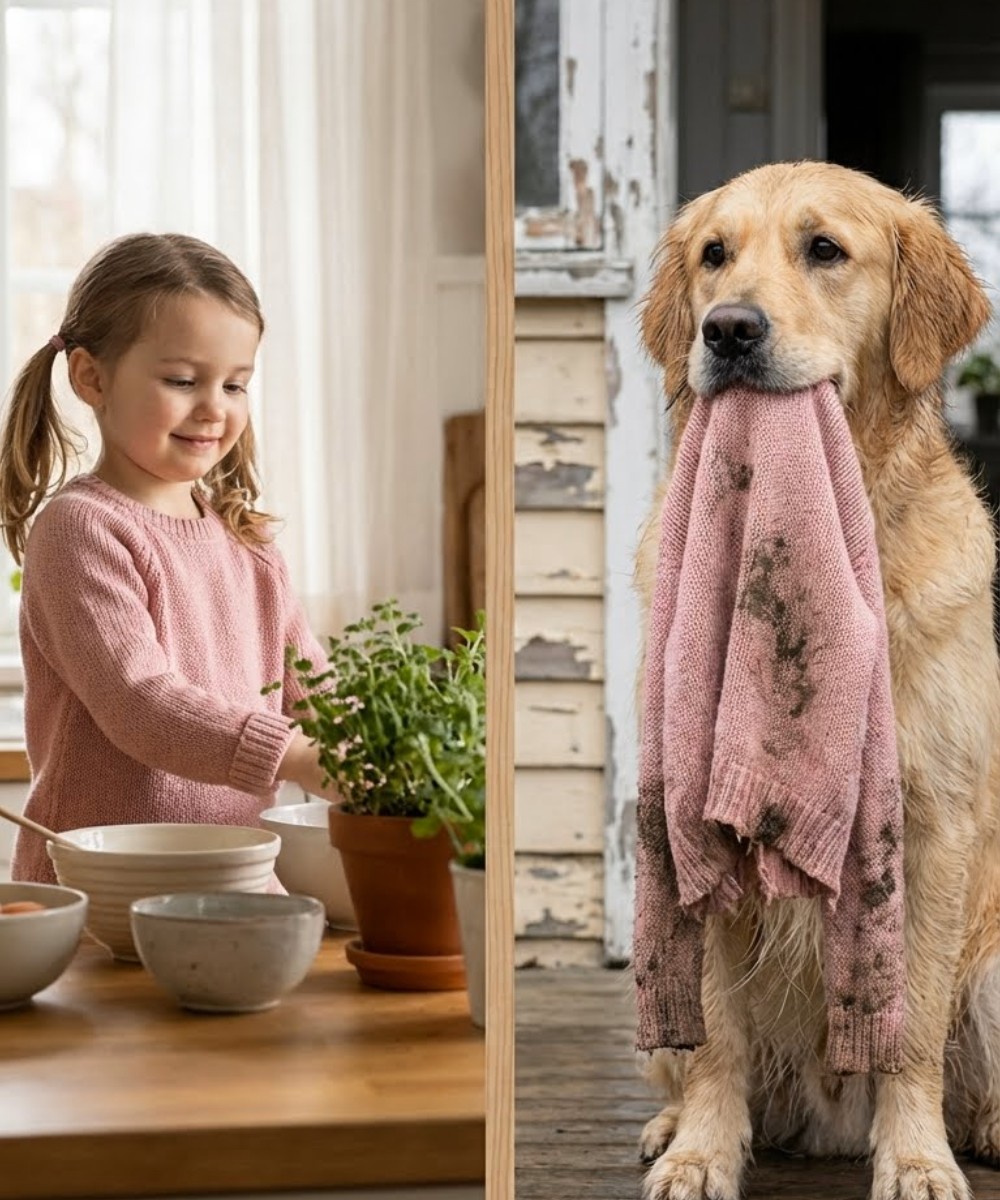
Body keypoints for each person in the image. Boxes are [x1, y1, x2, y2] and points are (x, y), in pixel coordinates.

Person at [0, 232, 337, 883]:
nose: (214, 407)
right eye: (183, 380)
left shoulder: (248, 542)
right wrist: (297, 756)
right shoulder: (81, 530)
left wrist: (377, 753)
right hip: (101, 889)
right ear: (91, 377)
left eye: (236, 385)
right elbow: (141, 704)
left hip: (232, 879)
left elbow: (313, 688)